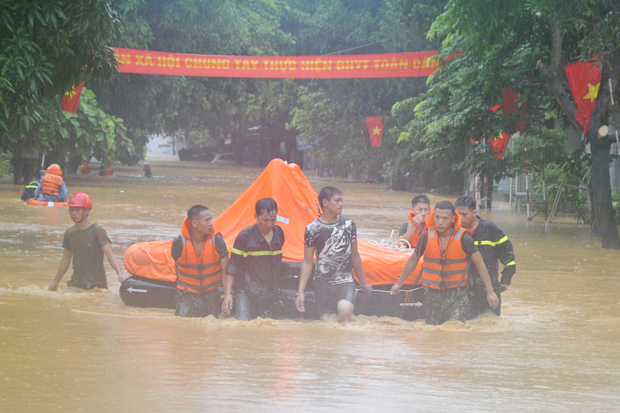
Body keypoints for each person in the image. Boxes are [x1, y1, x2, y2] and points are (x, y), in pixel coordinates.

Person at [391, 201, 499, 325]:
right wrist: (399, 283)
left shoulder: (464, 238)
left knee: (454, 330)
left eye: (445, 218)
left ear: (453, 219)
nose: (440, 222)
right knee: (433, 333)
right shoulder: (425, 237)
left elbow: (480, 264)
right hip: (432, 296)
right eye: (437, 217)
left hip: (457, 296)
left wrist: (490, 292)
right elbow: (413, 260)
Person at [295, 186, 372, 322]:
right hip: (322, 285)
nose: (341, 204)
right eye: (337, 201)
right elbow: (307, 261)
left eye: (342, 201)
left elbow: (355, 255)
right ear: (325, 203)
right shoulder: (312, 229)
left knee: (344, 309)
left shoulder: (349, 225)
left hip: (345, 282)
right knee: (327, 322)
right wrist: (300, 292)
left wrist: (364, 282)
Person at [48, 192, 126, 291]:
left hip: (97, 285)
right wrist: (55, 282)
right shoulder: (69, 233)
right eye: (71, 210)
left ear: (87, 211)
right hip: (76, 283)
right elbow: (65, 260)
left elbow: (109, 254)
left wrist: (119, 273)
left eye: (77, 210)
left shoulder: (97, 230)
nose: (73, 213)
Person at [454, 196, 516, 319]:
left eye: (464, 214)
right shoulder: (452, 231)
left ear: (474, 213)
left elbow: (508, 254)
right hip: (464, 291)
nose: (460, 218)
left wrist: (505, 280)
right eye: (457, 214)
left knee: (490, 324)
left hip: (489, 289)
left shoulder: (490, 229)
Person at [223, 198, 284, 320]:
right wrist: (228, 294)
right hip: (246, 291)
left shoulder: (279, 233)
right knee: (243, 325)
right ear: (256, 217)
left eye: (273, 220)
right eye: (265, 220)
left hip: (269, 291)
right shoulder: (244, 236)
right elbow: (233, 265)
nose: (269, 224)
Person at [171, 205, 229, 318]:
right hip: (186, 296)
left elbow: (225, 271)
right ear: (194, 223)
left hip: (211, 294)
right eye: (207, 220)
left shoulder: (218, 241)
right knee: (182, 325)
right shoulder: (178, 243)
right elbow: (177, 268)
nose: (211, 223)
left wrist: (227, 295)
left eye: (211, 219)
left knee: (212, 327)